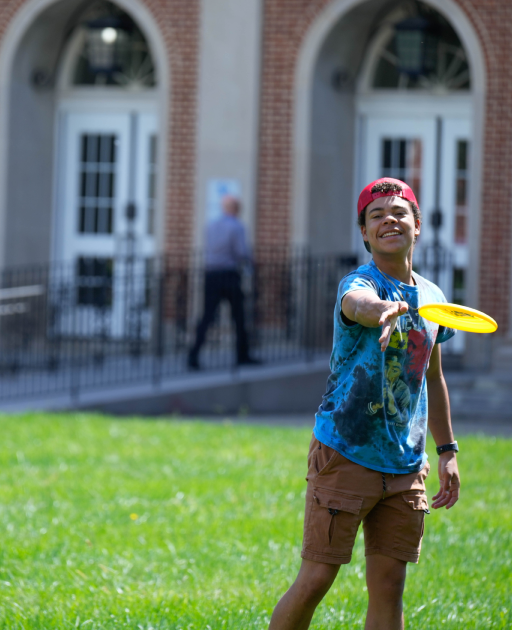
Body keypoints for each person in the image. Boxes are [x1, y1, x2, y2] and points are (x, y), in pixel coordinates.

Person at [267, 178, 461, 630]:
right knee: (317, 577)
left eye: (399, 212)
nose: (389, 220)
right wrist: (381, 311)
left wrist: (448, 452)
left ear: (417, 225)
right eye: (377, 216)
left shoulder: (432, 298)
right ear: (365, 233)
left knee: (390, 585)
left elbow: (433, 376)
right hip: (346, 452)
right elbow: (357, 304)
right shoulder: (359, 283)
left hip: (405, 463)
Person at [188, 195, 261, 370]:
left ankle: (193, 356)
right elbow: (241, 252)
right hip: (229, 274)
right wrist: (251, 263)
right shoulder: (236, 226)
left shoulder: (211, 226)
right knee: (239, 316)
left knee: (207, 316)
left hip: (211, 274)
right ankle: (242, 355)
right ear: (235, 209)